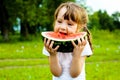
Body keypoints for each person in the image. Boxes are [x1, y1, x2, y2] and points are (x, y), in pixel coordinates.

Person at [42, 1, 93, 80]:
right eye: (59, 21)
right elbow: (57, 73)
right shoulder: (50, 44)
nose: (63, 27)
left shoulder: (82, 44)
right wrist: (53, 55)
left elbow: (74, 74)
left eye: (69, 24)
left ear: (79, 27)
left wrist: (77, 55)